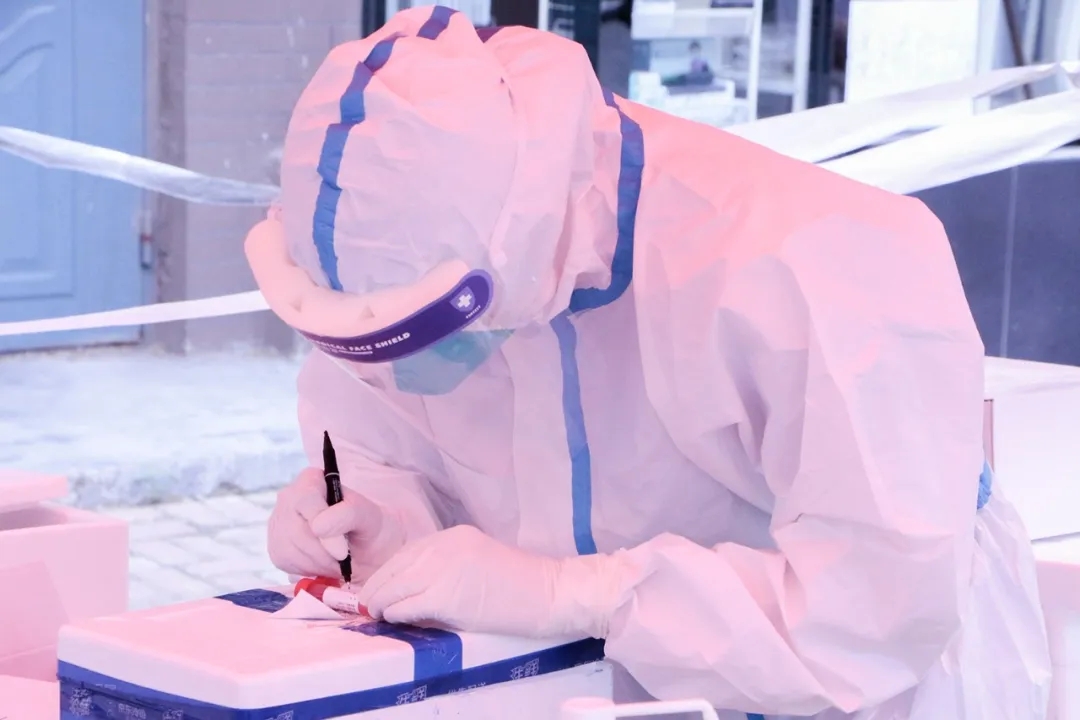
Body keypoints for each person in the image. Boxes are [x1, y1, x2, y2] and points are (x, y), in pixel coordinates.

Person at [247, 6, 1051, 719]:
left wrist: (574, 593)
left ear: (515, 251)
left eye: (426, 330)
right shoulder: (420, 246)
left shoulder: (814, 263)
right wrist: (383, 517)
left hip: (861, 685)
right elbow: (391, 431)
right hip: (581, 672)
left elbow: (872, 613)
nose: (405, 368)